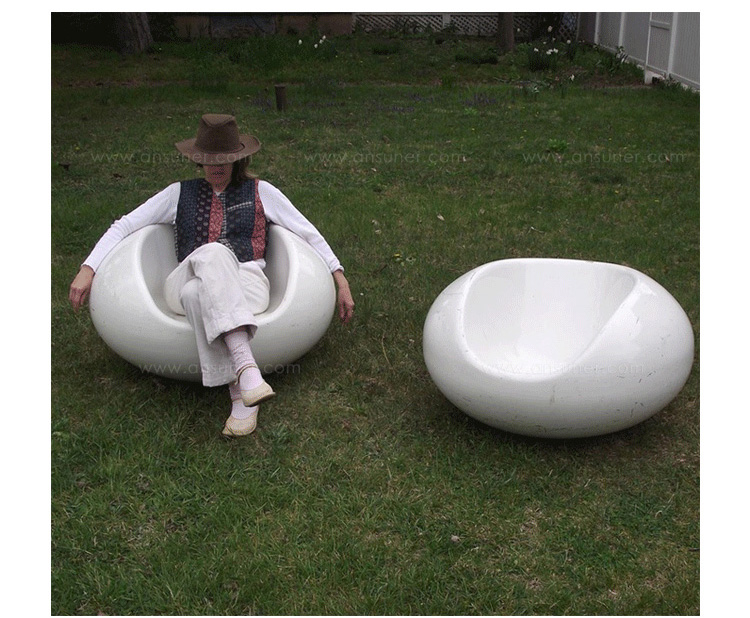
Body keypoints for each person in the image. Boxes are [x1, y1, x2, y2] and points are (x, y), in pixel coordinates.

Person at [69, 113, 354, 437]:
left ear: (237, 159)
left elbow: (306, 231)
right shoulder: (178, 193)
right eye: (209, 160)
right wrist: (87, 268)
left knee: (196, 294)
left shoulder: (261, 191)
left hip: (247, 285)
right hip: (182, 280)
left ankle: (240, 395)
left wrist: (339, 277)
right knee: (211, 254)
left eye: (225, 159)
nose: (217, 166)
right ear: (198, 160)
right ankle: (247, 368)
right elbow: (125, 225)